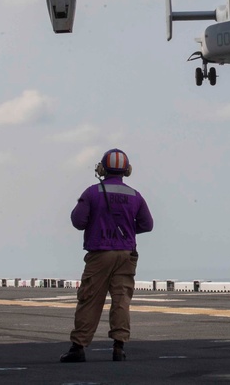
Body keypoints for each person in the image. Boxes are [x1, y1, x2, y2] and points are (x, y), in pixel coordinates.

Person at [60, 148, 154, 363]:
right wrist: (128, 230)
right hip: (126, 254)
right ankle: (119, 346)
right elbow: (147, 225)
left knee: (90, 298)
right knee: (121, 299)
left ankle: (78, 347)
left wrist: (98, 225)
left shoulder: (92, 192)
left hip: (100, 253)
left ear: (102, 168)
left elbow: (78, 222)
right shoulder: (135, 195)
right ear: (127, 170)